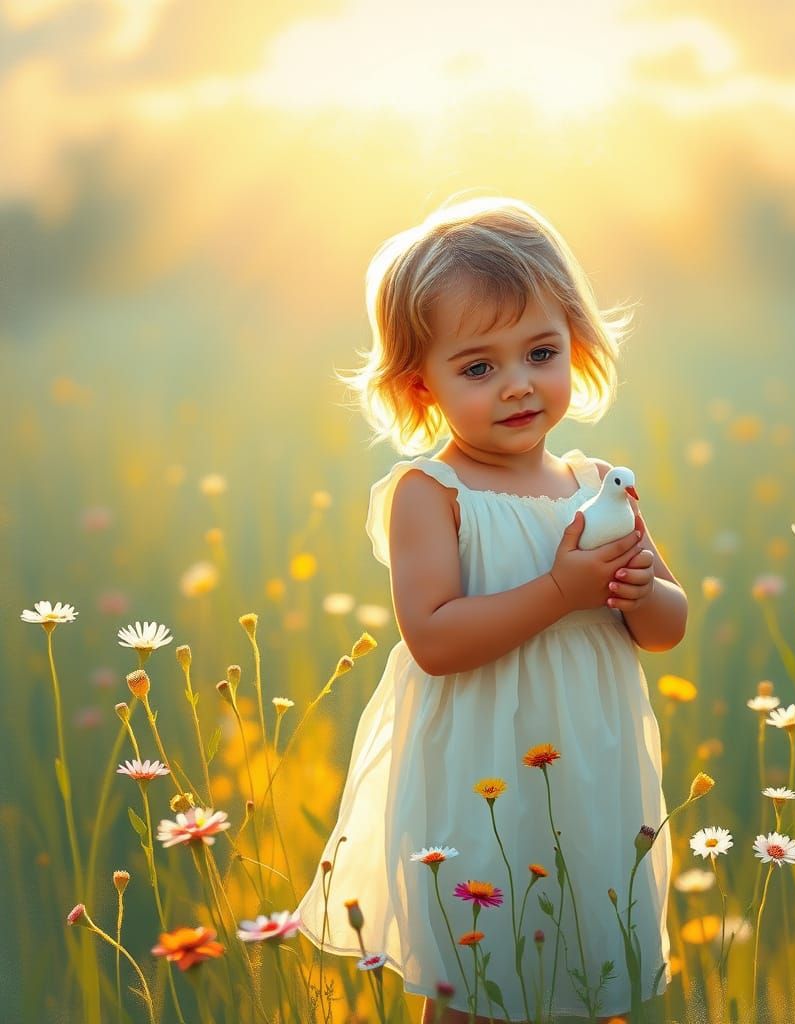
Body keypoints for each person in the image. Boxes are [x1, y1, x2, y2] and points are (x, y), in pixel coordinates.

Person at [295, 195, 688, 1024]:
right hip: (482, 777)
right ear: (421, 385)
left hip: (588, 766)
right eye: (477, 368)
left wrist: (641, 585)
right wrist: (561, 592)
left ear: (575, 350)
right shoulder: (431, 493)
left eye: (540, 352)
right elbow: (434, 639)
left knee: (589, 961)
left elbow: (664, 629)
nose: (517, 385)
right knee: (478, 976)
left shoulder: (598, 487)